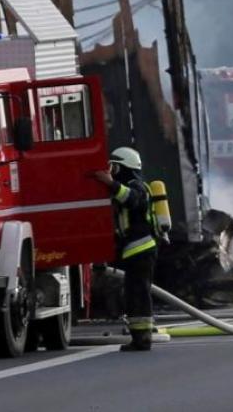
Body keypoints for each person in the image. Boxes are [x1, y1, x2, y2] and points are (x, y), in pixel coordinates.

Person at [94, 147, 158, 351]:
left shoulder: (137, 186)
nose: (111, 171)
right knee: (133, 294)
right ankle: (139, 337)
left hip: (141, 249)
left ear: (123, 167)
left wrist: (110, 183)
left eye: (114, 167)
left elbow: (132, 200)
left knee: (139, 294)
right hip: (134, 251)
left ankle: (143, 339)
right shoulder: (127, 186)